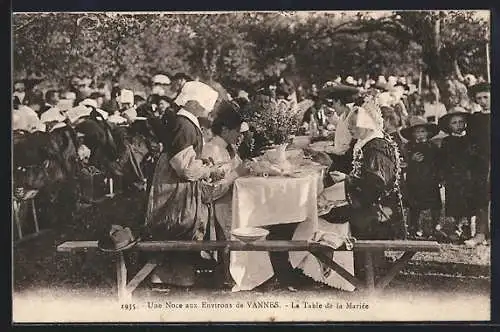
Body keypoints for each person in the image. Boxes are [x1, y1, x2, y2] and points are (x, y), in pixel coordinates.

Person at [143, 99, 245, 288]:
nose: (240, 136)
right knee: (181, 222)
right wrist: (219, 171)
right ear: (225, 130)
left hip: (188, 192)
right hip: (183, 195)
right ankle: (172, 275)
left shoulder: (196, 133)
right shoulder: (189, 130)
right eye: (237, 131)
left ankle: (177, 274)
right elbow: (190, 173)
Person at [400, 116, 442, 239]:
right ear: (412, 134)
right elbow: (404, 163)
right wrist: (411, 160)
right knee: (415, 205)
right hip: (415, 180)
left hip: (430, 179)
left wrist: (439, 177)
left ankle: (434, 227)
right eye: (417, 132)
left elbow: (438, 161)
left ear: (428, 133)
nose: (420, 134)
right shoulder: (408, 147)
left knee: (434, 204)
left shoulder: (432, 146)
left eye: (423, 131)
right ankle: (414, 228)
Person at [438, 107, 475, 242]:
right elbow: (442, 160)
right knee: (453, 202)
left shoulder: (470, 140)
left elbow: (474, 158)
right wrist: (442, 176)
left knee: (467, 202)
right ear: (449, 126)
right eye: (454, 123)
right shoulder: (447, 142)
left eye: (461, 122)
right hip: (452, 177)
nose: (458, 125)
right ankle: (453, 228)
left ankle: (466, 228)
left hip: (467, 176)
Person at [464, 82, 491, 247]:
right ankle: (480, 233)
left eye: (486, 97)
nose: (483, 101)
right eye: (479, 98)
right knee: (482, 197)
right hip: (481, 163)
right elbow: (470, 142)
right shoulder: (475, 119)